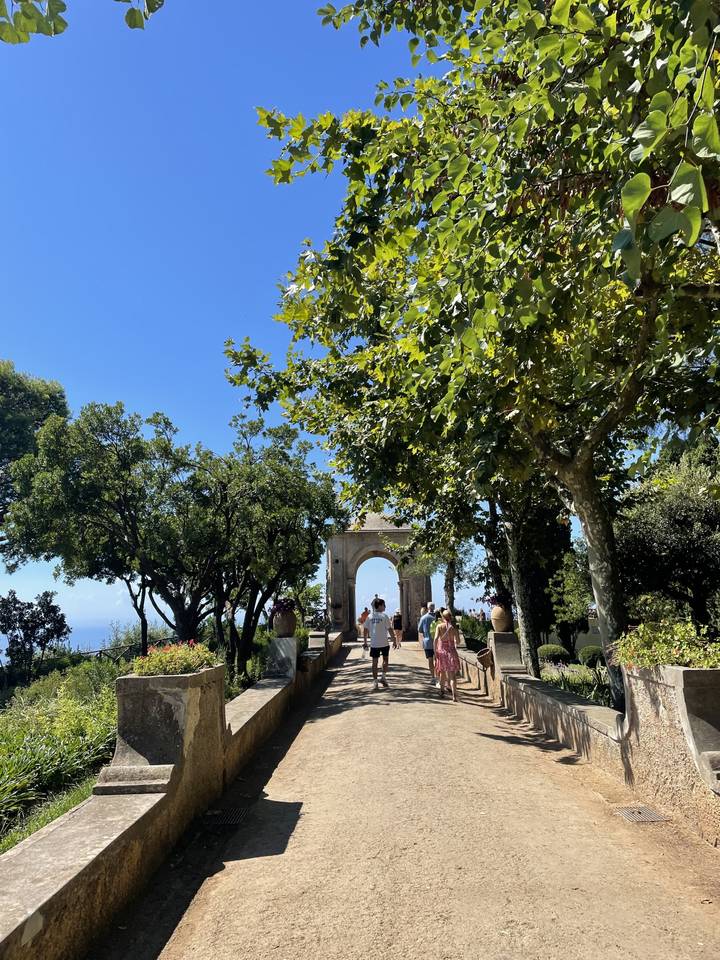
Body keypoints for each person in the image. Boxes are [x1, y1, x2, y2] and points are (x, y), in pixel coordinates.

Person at [363, 596, 396, 690]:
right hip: (384, 643)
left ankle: (375, 682)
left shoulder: (370, 616)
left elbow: (365, 630)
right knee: (385, 660)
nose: (385, 607)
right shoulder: (384, 616)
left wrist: (365, 642)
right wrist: (394, 640)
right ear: (380, 606)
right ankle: (383, 677)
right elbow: (390, 629)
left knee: (374, 662)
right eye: (384, 605)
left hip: (374, 644)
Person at [434, 608, 461, 702]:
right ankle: (454, 695)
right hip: (452, 652)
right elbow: (458, 641)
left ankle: (442, 691)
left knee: (442, 673)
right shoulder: (453, 628)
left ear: (442, 617)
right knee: (452, 675)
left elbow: (436, 639)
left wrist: (435, 651)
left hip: (442, 652)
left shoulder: (439, 626)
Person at [417, 603, 437, 685]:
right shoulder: (437, 617)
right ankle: (439, 676)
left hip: (427, 642)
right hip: (437, 642)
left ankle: (433, 677)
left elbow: (420, 630)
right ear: (434, 607)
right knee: (438, 660)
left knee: (430, 660)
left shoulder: (424, 618)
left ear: (428, 608)